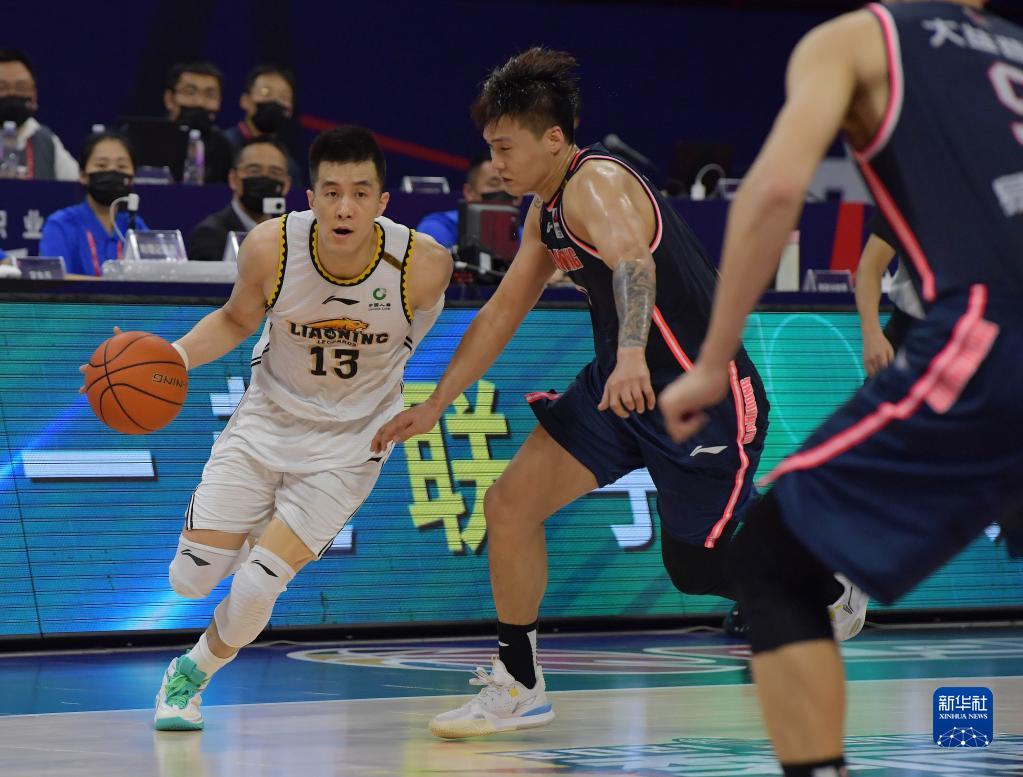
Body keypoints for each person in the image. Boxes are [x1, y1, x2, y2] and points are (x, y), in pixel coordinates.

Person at [373, 47, 781, 739]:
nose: (496, 162)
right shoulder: (545, 212)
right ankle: (518, 684)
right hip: (617, 389)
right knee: (509, 506)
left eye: (506, 147)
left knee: (694, 568)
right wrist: (436, 402)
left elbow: (634, 263)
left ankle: (819, 572)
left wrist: (632, 353)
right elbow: (501, 312)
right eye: (490, 147)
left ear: (554, 139)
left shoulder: (596, 184)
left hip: (697, 393)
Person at [658, 2, 1023, 776]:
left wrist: (712, 357)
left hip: (993, 337)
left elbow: (771, 192)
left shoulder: (861, 38)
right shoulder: (1011, 50)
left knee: (770, 561)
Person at [124, 126, 450, 730]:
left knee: (256, 590)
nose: (344, 207)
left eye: (360, 193)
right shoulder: (270, 247)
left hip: (351, 444)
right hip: (265, 422)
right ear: (310, 197)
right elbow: (234, 320)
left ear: (383, 202)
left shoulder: (423, 266)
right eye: (331, 192)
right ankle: (251, 542)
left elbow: (449, 339)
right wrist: (169, 359)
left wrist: (433, 402)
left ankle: (190, 675)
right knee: (190, 581)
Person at [38, 132, 149, 276]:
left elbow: (153, 276)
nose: (112, 171)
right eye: (101, 165)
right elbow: (55, 278)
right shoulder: (60, 224)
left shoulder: (135, 226)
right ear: (83, 175)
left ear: (133, 177)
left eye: (122, 166)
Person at [186, 136, 291, 261]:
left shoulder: (292, 236)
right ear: (233, 179)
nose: (264, 178)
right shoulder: (210, 235)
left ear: (286, 185)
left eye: (275, 172)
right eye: (254, 171)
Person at [855, 211, 925, 376]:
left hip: (972, 337)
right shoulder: (913, 201)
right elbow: (870, 268)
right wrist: (872, 334)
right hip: (908, 333)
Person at [0, 49, 78, 180]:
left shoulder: (45, 140)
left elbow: (75, 184)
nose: (12, 94)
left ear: (34, 96)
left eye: (21, 88)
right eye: (2, 88)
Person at [223, 65, 304, 185]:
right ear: (245, 101)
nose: (275, 101)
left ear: (290, 111)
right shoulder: (221, 146)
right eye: (265, 92)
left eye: (284, 97)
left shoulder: (290, 167)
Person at [416, 152, 511, 248]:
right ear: (469, 192)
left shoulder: (519, 232)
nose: (504, 190)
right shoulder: (437, 227)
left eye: (509, 183)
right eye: (494, 184)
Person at [163, 60, 232, 183]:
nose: (200, 102)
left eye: (210, 95)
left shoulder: (226, 149)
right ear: (169, 99)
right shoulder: (146, 141)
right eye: (190, 92)